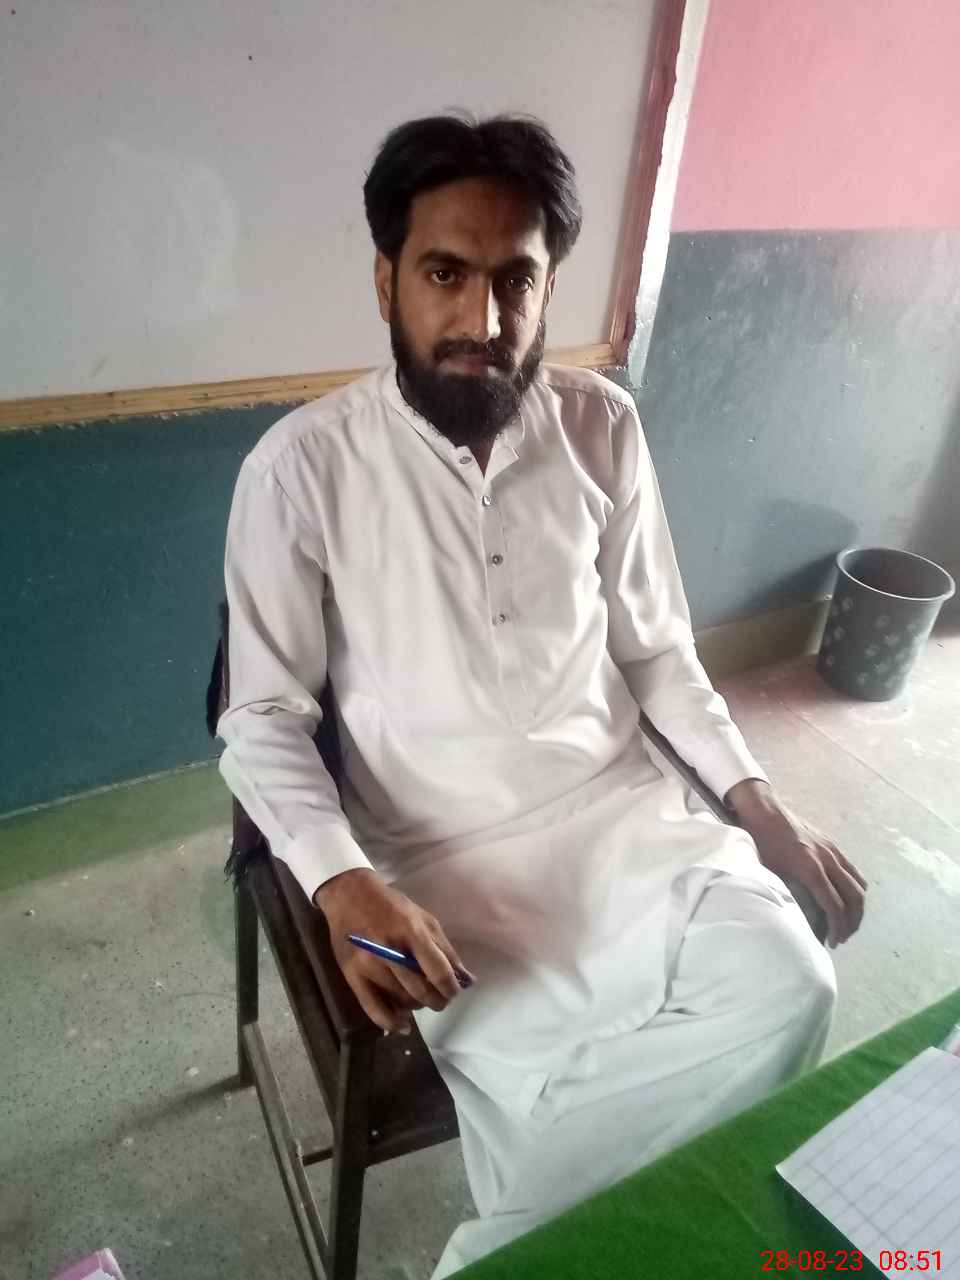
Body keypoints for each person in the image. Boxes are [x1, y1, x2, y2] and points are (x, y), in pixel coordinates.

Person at [217, 110, 867, 1277]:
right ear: (386, 281)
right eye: (445, 275)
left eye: (515, 280)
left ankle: (512, 1245)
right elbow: (263, 718)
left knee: (792, 981)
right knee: (570, 1077)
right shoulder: (300, 470)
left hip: (629, 817)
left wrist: (758, 802)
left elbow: (658, 651)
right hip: (440, 860)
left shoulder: (600, 425)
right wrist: (340, 876)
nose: (483, 320)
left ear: (548, 283)